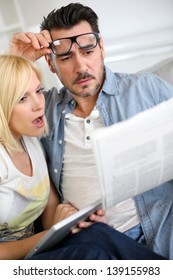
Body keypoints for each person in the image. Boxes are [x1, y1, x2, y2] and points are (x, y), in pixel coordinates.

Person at [10, 3, 173, 259]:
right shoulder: (42, 108)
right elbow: (5, 107)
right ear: (51, 65)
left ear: (102, 48)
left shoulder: (147, 89)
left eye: (88, 51)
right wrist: (18, 59)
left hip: (159, 233)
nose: (81, 66)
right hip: (86, 244)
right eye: (65, 58)